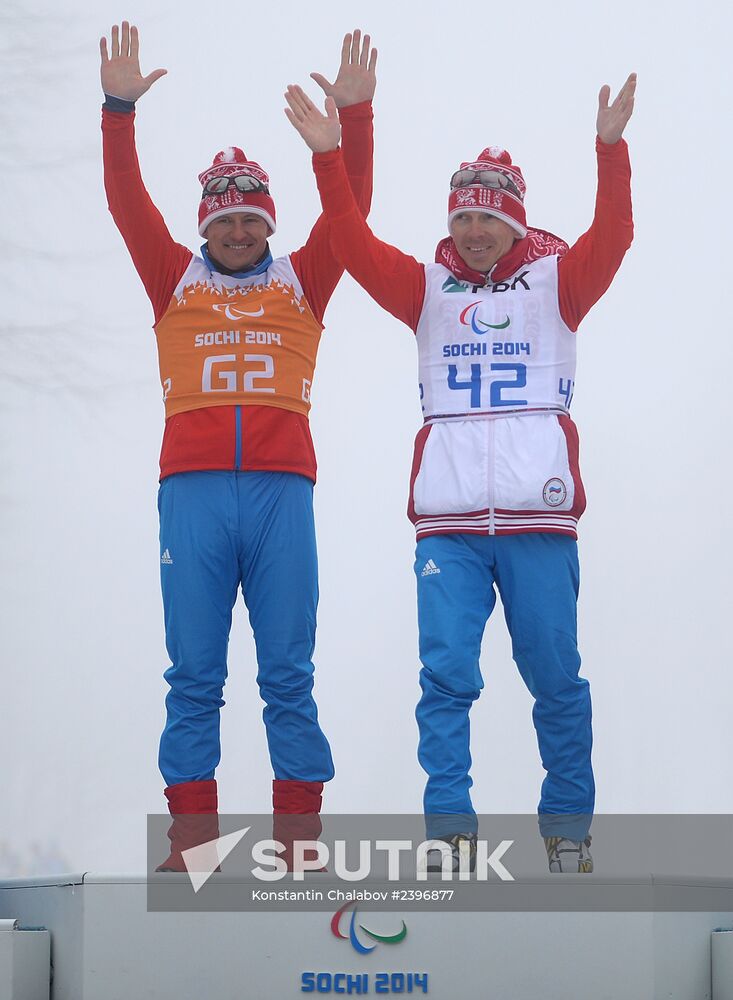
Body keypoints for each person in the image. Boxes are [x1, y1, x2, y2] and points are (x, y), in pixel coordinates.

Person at [285, 71, 636, 873]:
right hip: (447, 523)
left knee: (555, 676)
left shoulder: (558, 284)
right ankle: (447, 831)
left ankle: (567, 833)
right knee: (444, 678)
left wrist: (608, 151)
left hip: (536, 519)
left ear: (514, 221)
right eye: (463, 216)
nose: (474, 229)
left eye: (488, 216)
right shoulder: (426, 290)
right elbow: (347, 243)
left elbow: (612, 237)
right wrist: (330, 159)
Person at [99, 22, 377, 871]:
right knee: (193, 676)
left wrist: (354, 124)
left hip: (281, 491)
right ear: (205, 227)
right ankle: (195, 846)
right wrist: (117, 112)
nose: (238, 233)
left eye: (252, 219)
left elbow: (350, 215)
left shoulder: (304, 276)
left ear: (268, 224)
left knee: (287, 672)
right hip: (192, 492)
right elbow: (126, 202)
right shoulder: (170, 274)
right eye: (224, 220)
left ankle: (298, 844)